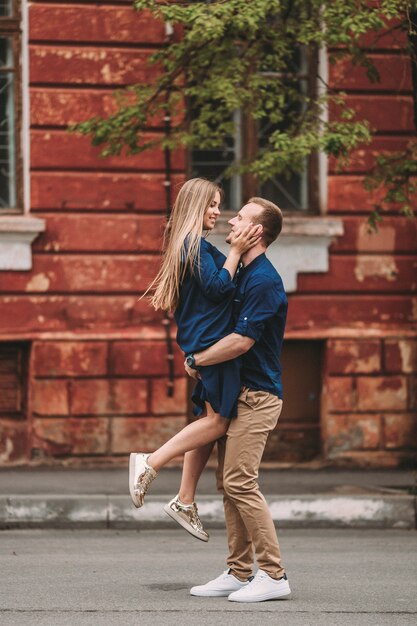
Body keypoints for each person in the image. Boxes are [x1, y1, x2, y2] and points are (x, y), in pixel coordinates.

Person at [129, 178, 262, 542]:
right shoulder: (192, 245)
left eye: (219, 205)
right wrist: (235, 252)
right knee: (218, 421)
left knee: (209, 418)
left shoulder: (194, 246)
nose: (218, 212)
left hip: (204, 339)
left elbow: (223, 286)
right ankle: (151, 462)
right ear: (195, 206)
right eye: (212, 205)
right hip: (211, 342)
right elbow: (220, 288)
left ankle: (185, 500)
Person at [184, 197, 291, 603]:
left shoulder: (264, 280)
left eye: (241, 217)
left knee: (240, 482)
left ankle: (274, 575)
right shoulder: (239, 272)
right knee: (228, 485)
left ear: (256, 232)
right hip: (235, 393)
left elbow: (242, 341)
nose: (231, 219)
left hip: (259, 396)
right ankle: (239, 570)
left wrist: (198, 359)